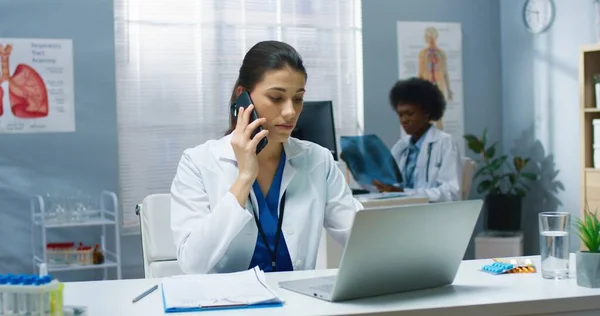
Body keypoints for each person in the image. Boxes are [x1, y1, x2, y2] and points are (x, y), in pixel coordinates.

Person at [170, 40, 363, 275]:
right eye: (276, 98)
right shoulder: (198, 162)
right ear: (243, 97)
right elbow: (192, 263)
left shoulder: (318, 160)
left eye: (298, 98)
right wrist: (244, 178)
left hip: (298, 304)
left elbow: (360, 237)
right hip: (227, 306)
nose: (291, 111)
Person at [372, 77, 461, 202]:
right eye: (401, 115)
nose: (404, 120)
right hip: (402, 212)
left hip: (431, 215)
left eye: (409, 114)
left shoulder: (445, 142)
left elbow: (451, 193)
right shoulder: (401, 146)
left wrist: (404, 193)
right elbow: (388, 183)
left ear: (427, 112)